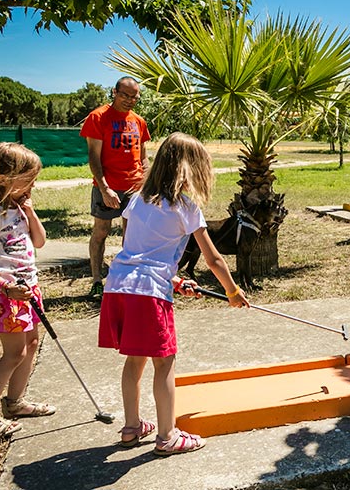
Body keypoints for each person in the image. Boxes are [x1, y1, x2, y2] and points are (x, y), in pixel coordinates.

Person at [98, 132, 250, 456]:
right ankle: (167, 436)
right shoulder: (185, 207)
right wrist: (233, 291)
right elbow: (214, 259)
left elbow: (136, 250)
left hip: (119, 286)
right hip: (149, 293)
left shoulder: (137, 199)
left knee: (134, 358)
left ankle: (131, 427)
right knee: (164, 363)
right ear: (189, 169)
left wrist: (175, 278)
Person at [0, 142, 55, 438]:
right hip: (5, 294)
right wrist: (6, 287)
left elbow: (40, 241)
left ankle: (15, 402)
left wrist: (30, 212)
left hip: (27, 289)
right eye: (28, 178)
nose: (33, 184)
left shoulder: (18, 206)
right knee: (13, 353)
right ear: (4, 178)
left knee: (30, 346)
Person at [80, 76, 151, 298]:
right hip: (109, 187)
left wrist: (147, 185)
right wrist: (104, 188)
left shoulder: (138, 121)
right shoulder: (98, 117)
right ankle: (97, 280)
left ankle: (125, 280)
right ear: (114, 92)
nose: (129, 100)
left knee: (131, 236)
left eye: (134, 97)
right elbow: (94, 158)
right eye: (125, 95)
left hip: (135, 189)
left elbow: (144, 158)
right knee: (101, 231)